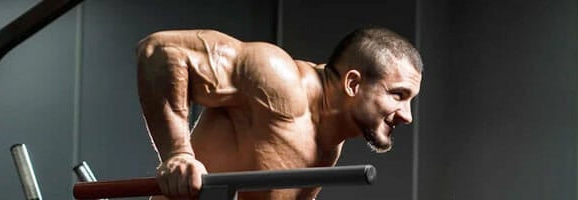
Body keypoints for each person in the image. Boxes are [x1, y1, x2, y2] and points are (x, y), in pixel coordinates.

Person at [136, 27, 422, 200]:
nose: (407, 115)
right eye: (398, 94)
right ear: (353, 83)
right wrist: (178, 155)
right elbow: (160, 52)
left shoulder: (328, 144)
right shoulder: (278, 79)